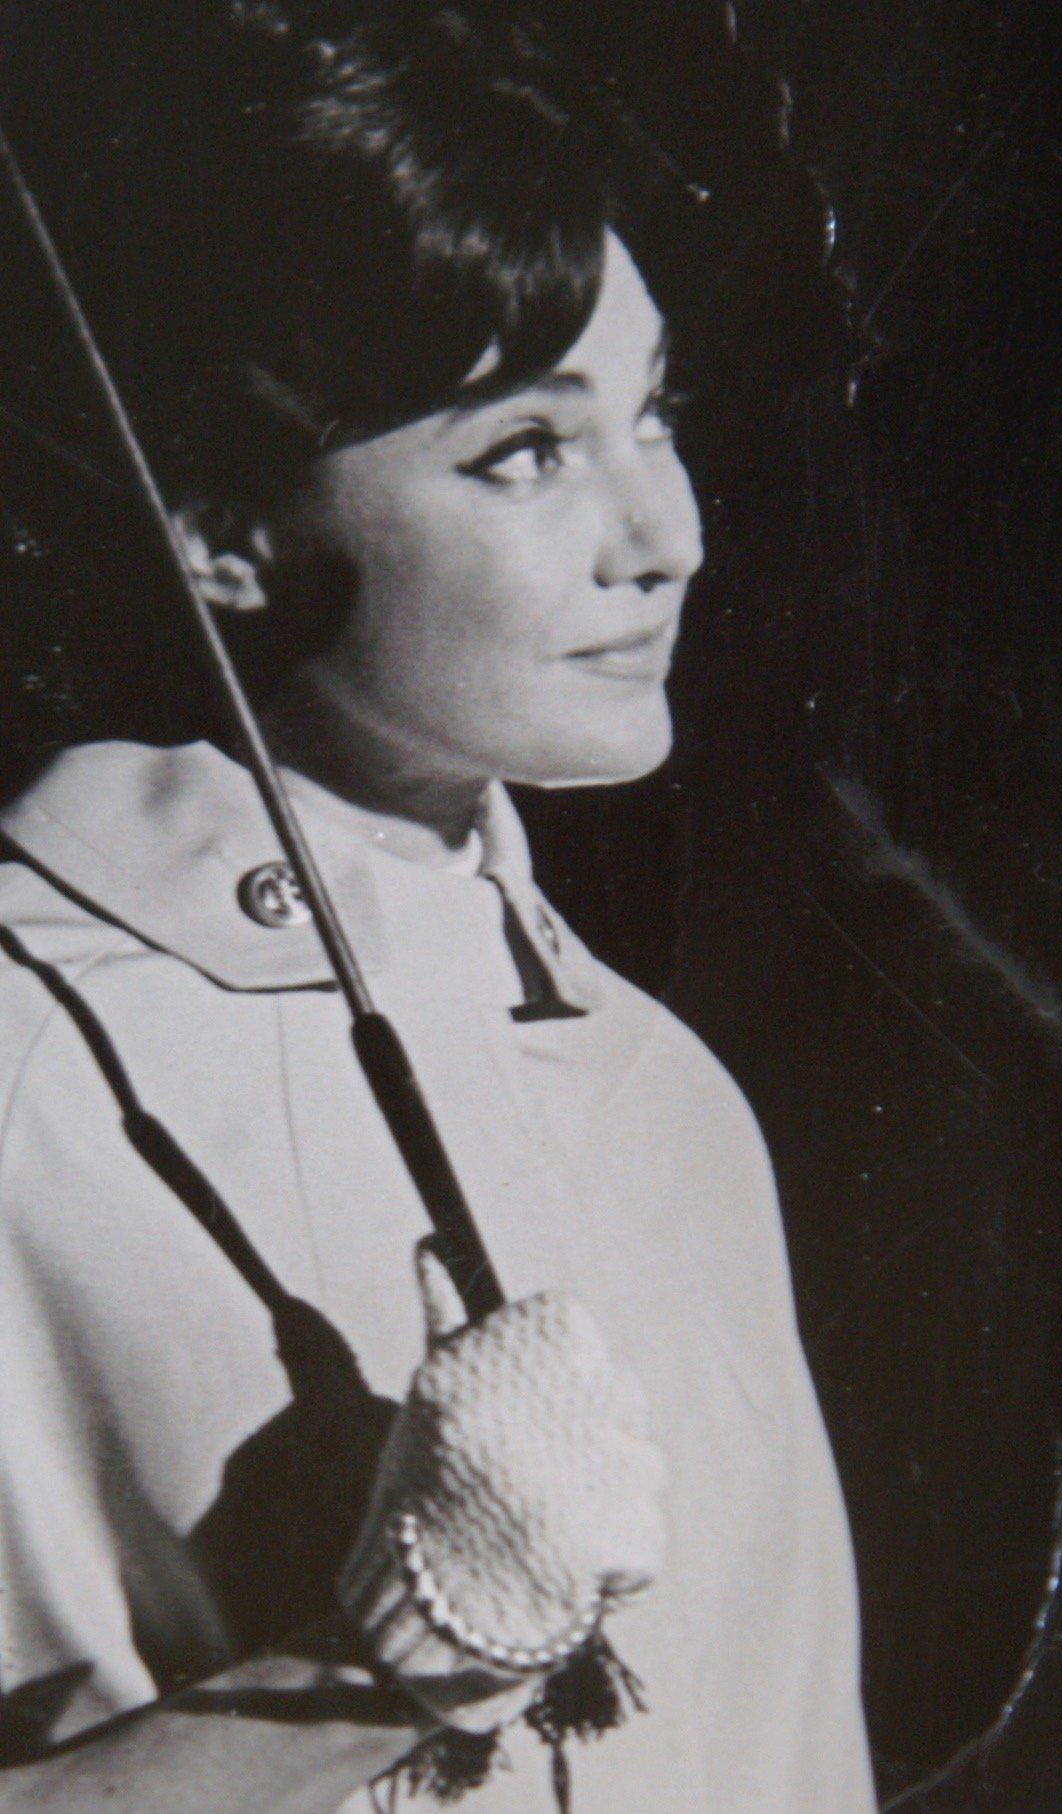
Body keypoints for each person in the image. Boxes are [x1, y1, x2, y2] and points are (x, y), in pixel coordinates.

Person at [0, 3, 876, 1808]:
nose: (667, 536)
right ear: (223, 532)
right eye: (525, 452)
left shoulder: (671, 1100)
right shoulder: (28, 1072)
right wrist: (381, 1663)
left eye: (652, 415)